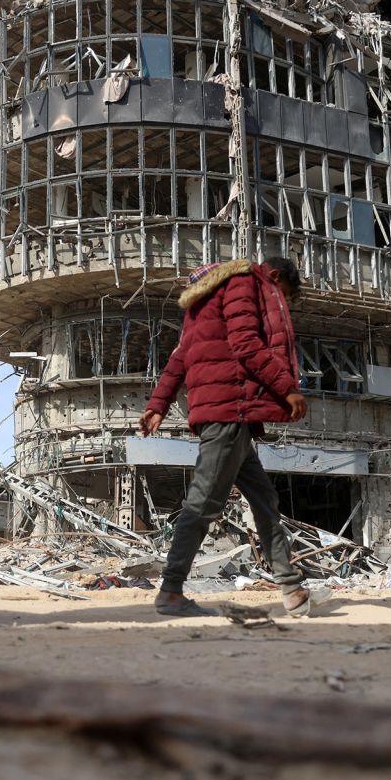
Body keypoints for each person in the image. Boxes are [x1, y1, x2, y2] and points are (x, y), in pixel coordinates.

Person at [140, 256, 324, 618]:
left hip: (233, 417)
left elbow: (181, 356)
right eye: (282, 294)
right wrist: (288, 389)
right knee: (203, 502)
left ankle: (291, 588)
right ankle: (171, 591)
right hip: (229, 410)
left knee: (264, 500)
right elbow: (246, 344)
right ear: (273, 276)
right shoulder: (243, 283)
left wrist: (159, 403)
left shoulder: (203, 299)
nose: (279, 303)